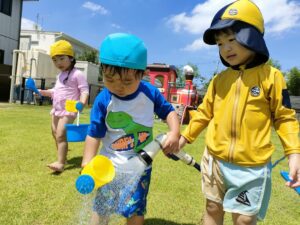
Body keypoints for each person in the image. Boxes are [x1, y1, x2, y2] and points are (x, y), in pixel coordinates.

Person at [179, 1, 300, 225]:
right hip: (215, 160)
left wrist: (294, 153)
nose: (226, 48)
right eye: (220, 43)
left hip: (251, 166)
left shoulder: (271, 77)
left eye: (232, 39)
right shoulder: (219, 80)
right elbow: (204, 112)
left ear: (252, 36)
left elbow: (284, 117)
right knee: (212, 207)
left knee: (244, 219)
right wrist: (185, 137)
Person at [81, 33, 180, 225]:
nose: (118, 87)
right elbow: (94, 133)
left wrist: (175, 132)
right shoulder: (103, 100)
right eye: (110, 79)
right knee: (101, 208)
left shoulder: (149, 93)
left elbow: (169, 112)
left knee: (135, 210)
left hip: (141, 165)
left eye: (127, 81)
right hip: (109, 165)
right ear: (103, 72)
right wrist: (87, 161)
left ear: (141, 74)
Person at [39, 40, 89, 172]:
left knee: (61, 134)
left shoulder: (77, 74)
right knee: (55, 133)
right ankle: (63, 157)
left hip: (69, 109)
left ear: (71, 58)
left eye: (62, 58)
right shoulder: (60, 75)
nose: (58, 63)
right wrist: (43, 92)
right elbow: (55, 91)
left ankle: (60, 163)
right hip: (57, 109)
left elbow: (84, 90)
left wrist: (82, 103)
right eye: (55, 60)